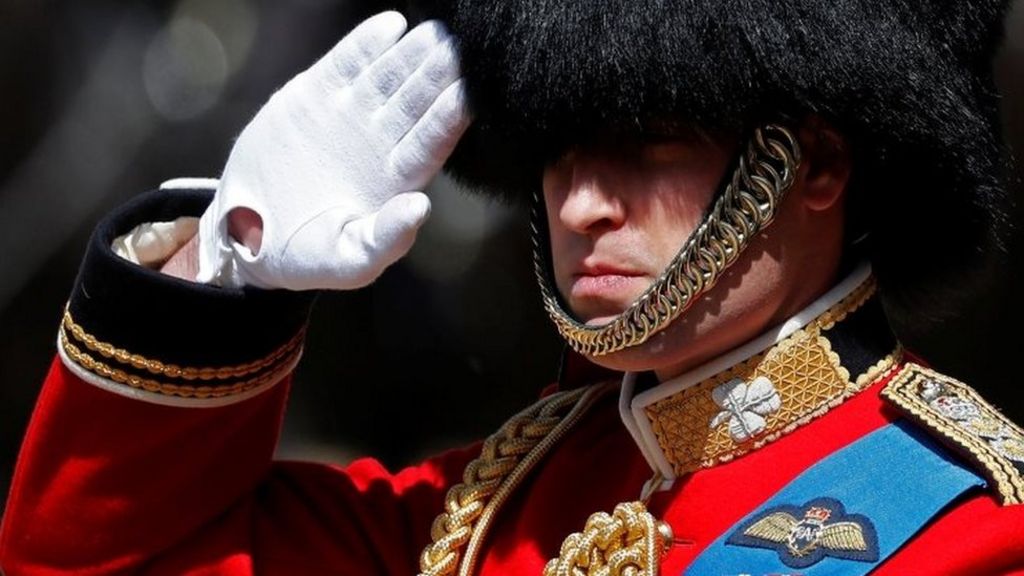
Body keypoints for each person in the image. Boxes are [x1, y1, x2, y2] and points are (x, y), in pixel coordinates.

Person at [2, 1, 1023, 574]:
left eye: (645, 143)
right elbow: (100, 561)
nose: (579, 205)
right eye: (554, 148)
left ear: (817, 168)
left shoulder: (969, 532)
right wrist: (224, 264)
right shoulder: (491, 507)